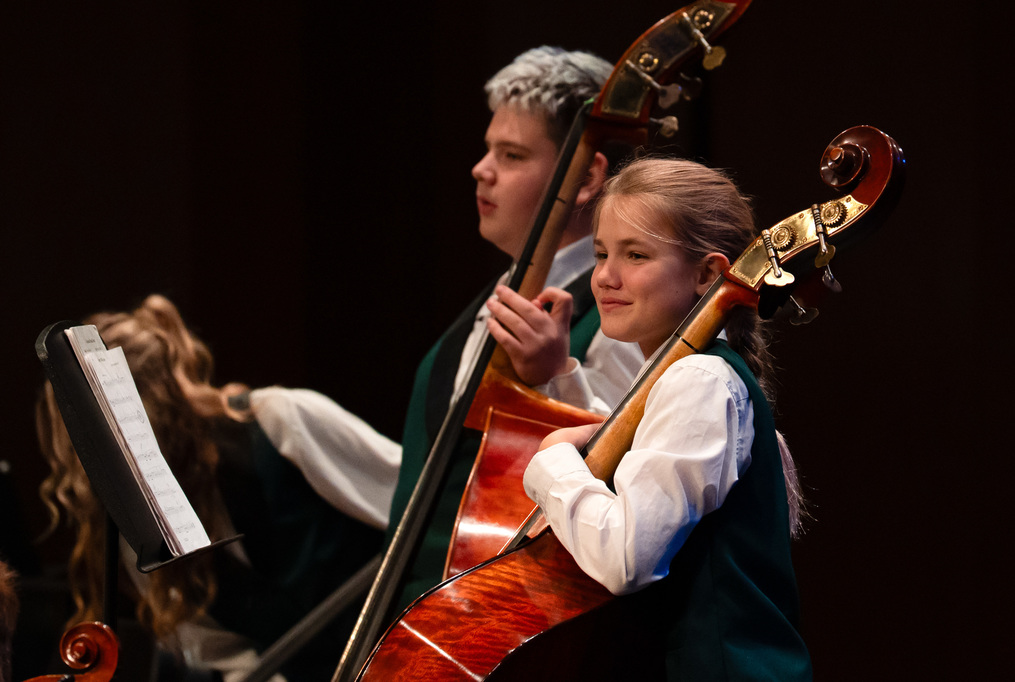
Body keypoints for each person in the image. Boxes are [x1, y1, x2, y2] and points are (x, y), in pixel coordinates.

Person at [521, 157, 812, 679]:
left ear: (707, 275)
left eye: (636, 255)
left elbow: (625, 559)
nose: (605, 277)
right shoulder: (688, 379)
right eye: (601, 253)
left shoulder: (698, 381)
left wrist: (550, 463)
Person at [386, 45, 645, 610]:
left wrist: (555, 378)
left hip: (504, 621)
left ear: (584, 177)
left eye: (511, 154)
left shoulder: (623, 311)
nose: (482, 169)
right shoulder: (492, 300)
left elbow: (635, 477)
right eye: (488, 149)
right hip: (424, 621)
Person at [36, 294, 398, 682]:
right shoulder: (144, 538)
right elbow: (232, 656)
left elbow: (423, 500)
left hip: (417, 654)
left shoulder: (282, 421)